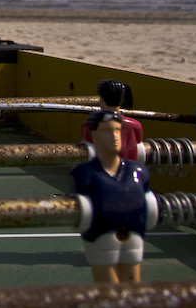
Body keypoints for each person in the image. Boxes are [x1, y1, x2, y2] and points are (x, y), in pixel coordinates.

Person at [70, 110, 157, 283]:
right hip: (102, 237)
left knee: (133, 287)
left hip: (133, 235)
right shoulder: (84, 175)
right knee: (109, 289)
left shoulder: (138, 172)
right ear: (94, 136)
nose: (115, 136)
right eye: (108, 131)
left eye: (118, 130)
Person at [80, 79, 146, 163]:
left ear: (101, 100)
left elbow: (90, 154)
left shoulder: (90, 126)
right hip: (129, 171)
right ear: (122, 100)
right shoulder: (136, 126)